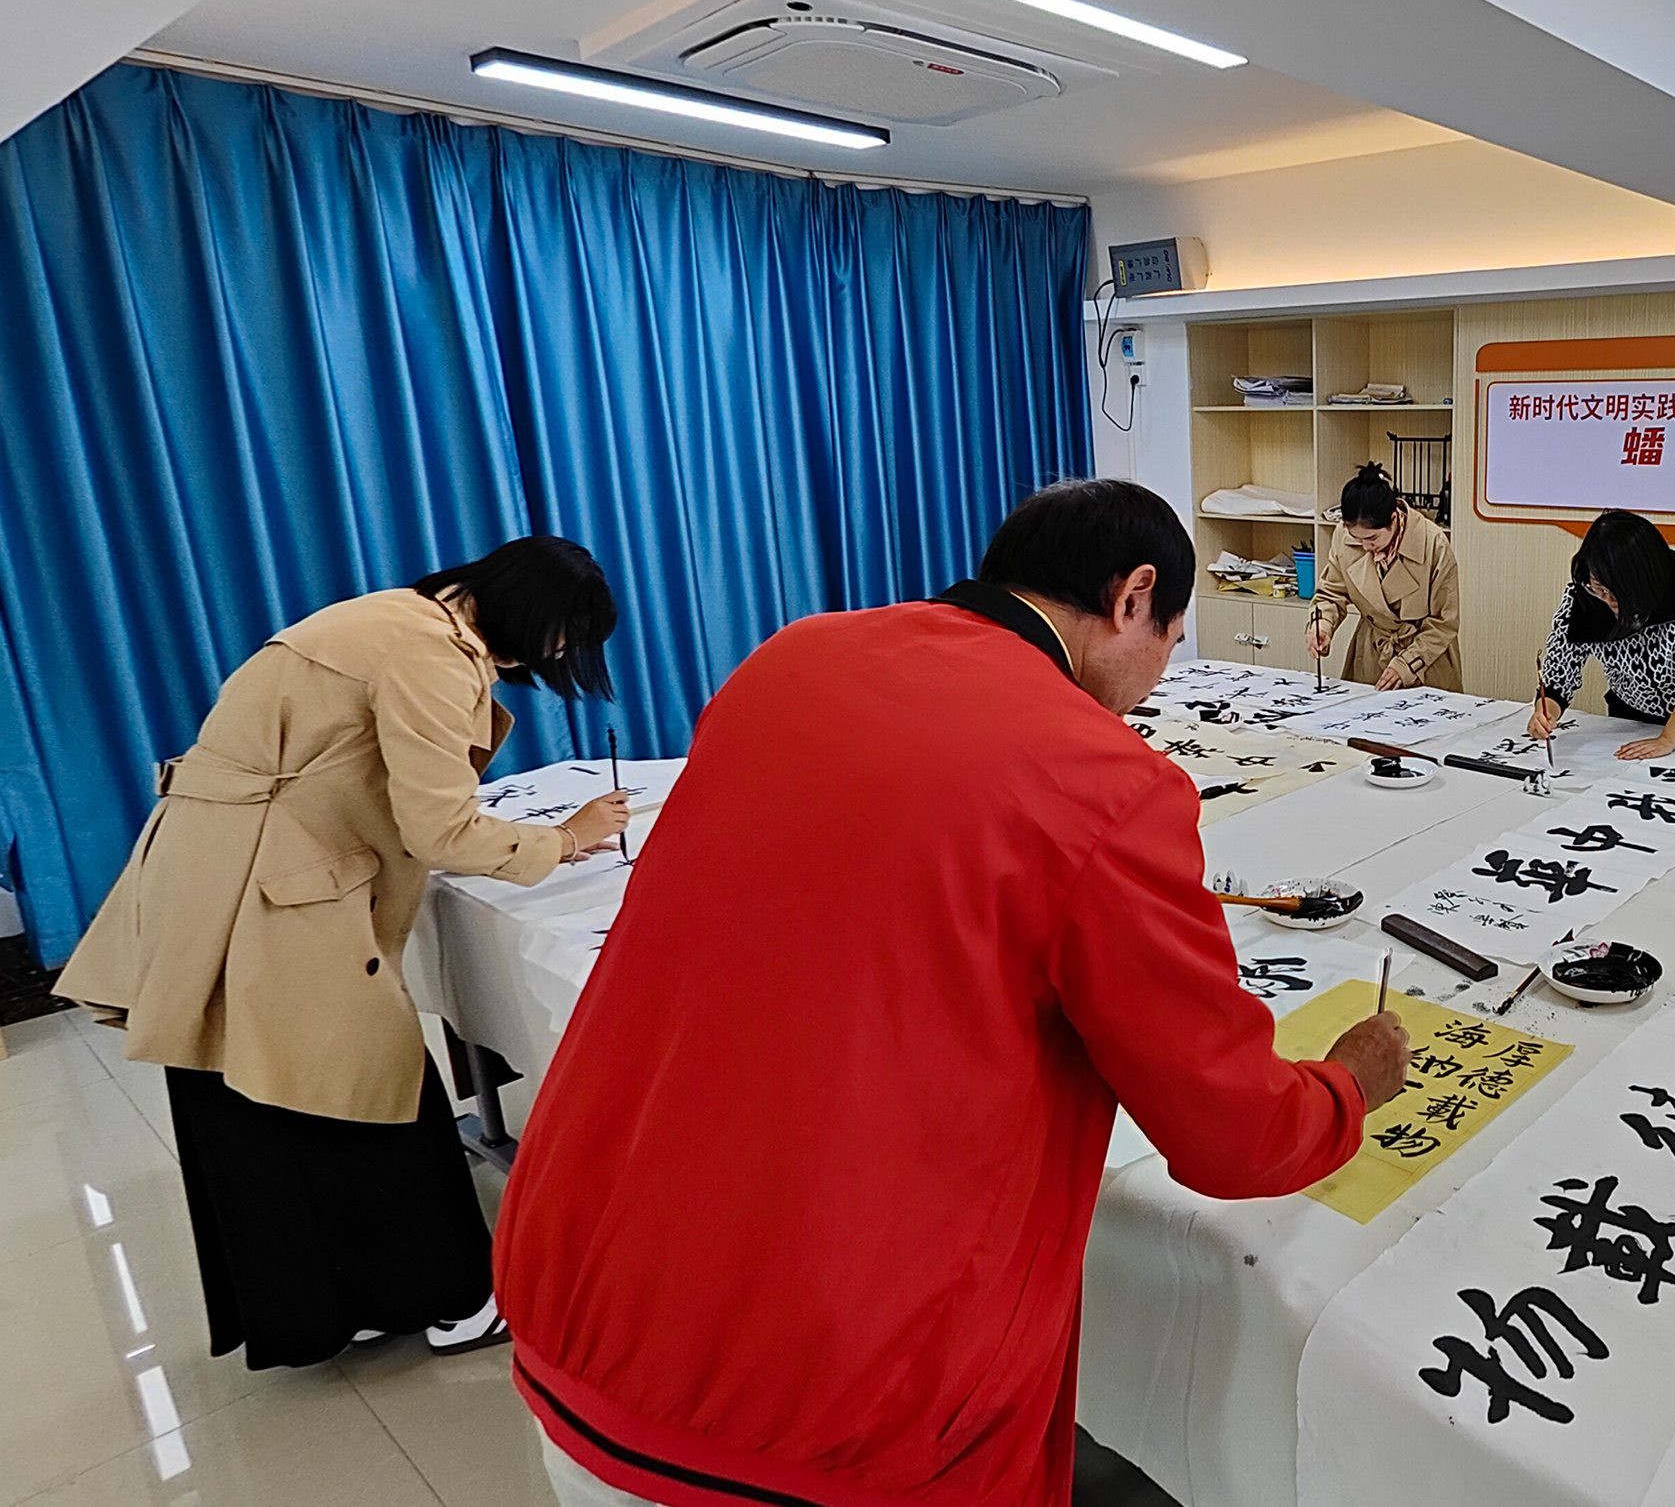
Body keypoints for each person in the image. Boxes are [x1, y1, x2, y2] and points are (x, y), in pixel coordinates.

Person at [493, 478, 1409, 1507]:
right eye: (1170, 637)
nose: (1158, 678)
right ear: (1132, 597)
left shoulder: (790, 659)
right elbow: (1232, 1133)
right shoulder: (1100, 776)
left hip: (587, 1307)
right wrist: (1344, 1086)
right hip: (826, 1413)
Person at [55, 536, 631, 1368]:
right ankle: (454, 1299)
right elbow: (440, 830)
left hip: (217, 865)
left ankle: (336, 1307)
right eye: (562, 637)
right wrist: (565, 839)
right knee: (370, 1086)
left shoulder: (392, 615)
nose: (557, 654)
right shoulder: (430, 654)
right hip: (271, 885)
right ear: (532, 615)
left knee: (254, 1094)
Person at [1529, 510, 1675, 760]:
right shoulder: (1583, 595)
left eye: (1618, 592)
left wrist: (1668, 739)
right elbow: (1560, 672)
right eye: (1601, 589)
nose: (1609, 600)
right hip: (1630, 711)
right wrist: (1546, 712)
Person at [1305, 463, 1462, 691]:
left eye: (1372, 538)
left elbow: (1444, 622)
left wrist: (1405, 665)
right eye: (1357, 538)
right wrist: (1322, 624)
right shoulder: (1344, 537)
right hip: (1371, 654)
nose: (1365, 547)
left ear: (1393, 518)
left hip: (1426, 659)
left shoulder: (1433, 543)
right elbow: (1330, 594)